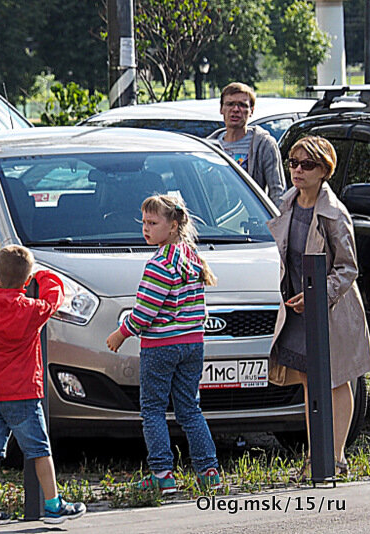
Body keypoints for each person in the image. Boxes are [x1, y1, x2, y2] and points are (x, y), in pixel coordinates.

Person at [267, 136, 370, 478]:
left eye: (306, 164)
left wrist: (316, 296)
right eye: (293, 163)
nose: (297, 170)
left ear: (324, 170)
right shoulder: (288, 203)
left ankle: (335, 458)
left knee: (336, 380)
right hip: (299, 308)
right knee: (311, 381)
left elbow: (347, 268)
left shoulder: (333, 213)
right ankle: (316, 457)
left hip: (331, 310)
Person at [106, 194, 222, 494]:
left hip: (161, 347)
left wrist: (122, 332)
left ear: (172, 226)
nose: (146, 228)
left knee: (153, 408)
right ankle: (208, 470)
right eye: (143, 222)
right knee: (189, 409)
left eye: (153, 223)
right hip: (193, 343)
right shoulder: (192, 258)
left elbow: (145, 312)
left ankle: (161, 472)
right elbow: (200, 308)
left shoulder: (158, 264)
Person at [0, 244, 86, 525]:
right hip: (23, 391)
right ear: (26, 282)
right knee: (40, 450)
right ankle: (53, 504)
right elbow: (54, 297)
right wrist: (44, 274)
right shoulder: (30, 310)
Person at [212, 82, 286, 206]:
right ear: (221, 109)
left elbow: (278, 193)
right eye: (230, 104)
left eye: (242, 105)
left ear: (251, 111)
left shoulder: (264, 144)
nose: (235, 110)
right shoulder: (209, 147)